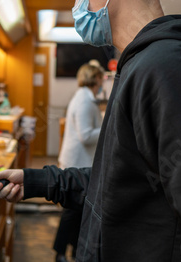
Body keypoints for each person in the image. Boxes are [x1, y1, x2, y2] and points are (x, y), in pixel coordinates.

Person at [0, 0, 181, 261]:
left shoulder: (171, 70)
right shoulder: (141, 65)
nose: (78, 5)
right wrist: (38, 181)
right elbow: (121, 182)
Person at [55, 62, 105, 262]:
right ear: (95, 79)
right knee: (72, 212)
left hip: (76, 160)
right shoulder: (85, 101)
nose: (103, 82)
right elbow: (85, 136)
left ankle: (73, 251)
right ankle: (59, 252)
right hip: (77, 162)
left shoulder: (85, 97)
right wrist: (108, 127)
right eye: (101, 78)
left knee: (77, 211)